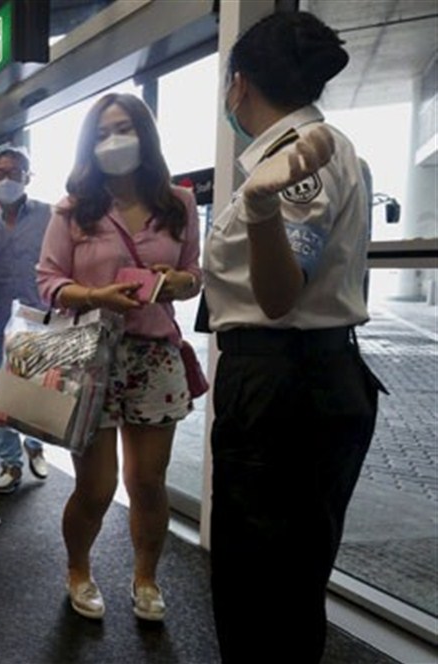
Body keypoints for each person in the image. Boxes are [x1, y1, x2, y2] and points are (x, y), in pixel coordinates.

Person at [203, 12, 384, 663]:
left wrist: (255, 208)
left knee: (258, 592)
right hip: (311, 381)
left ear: (240, 84)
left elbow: (278, 295)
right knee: (289, 586)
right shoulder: (318, 146)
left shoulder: (299, 158)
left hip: (283, 388)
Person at [36, 93, 201, 621]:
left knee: (149, 482)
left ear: (145, 134)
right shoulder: (73, 208)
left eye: (123, 128)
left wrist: (181, 282)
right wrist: (94, 296)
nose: (114, 141)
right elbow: (47, 282)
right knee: (96, 485)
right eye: (102, 133)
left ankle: (146, 578)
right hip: (91, 357)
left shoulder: (178, 203)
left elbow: (195, 274)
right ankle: (78, 568)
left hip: (155, 356)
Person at [0, 148, 52, 494]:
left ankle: (36, 447)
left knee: (35, 390)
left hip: (35, 317)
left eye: (15, 172)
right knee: (3, 393)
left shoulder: (48, 215)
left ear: (28, 176)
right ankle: (10, 461)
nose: (7, 178)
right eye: (0, 172)